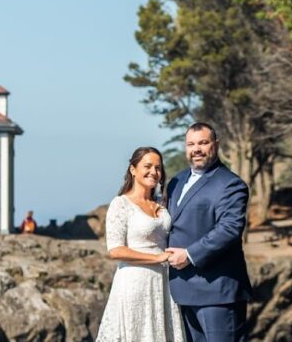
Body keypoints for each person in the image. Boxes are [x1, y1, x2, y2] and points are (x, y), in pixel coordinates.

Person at [164, 123, 252, 342]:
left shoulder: (230, 184)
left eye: (203, 143)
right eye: (191, 144)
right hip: (182, 291)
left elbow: (229, 229)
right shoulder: (176, 181)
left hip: (217, 293)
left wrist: (189, 254)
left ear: (216, 144)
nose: (197, 149)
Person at [96, 147, 184, 341]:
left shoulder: (163, 203)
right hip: (135, 282)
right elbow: (115, 250)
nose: (154, 171)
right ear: (133, 169)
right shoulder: (121, 204)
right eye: (148, 166)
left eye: (158, 167)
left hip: (164, 282)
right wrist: (157, 258)